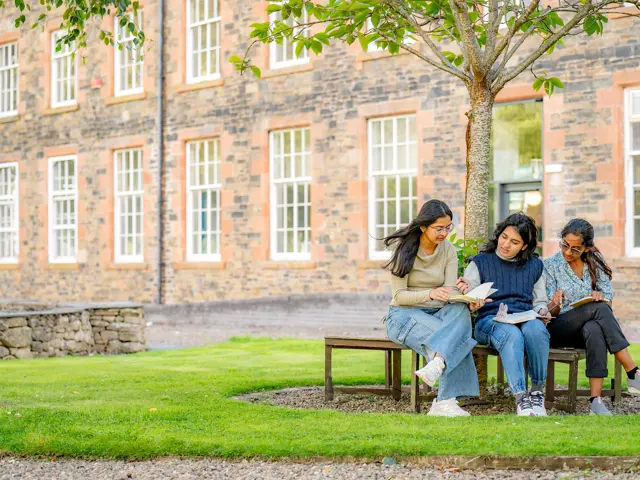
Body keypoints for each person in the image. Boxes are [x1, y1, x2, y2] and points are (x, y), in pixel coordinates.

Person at [384, 199, 481, 417]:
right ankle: (445, 402)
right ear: (423, 227)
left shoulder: (448, 250)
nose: (444, 234)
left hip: (437, 311)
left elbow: (448, 293)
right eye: (439, 228)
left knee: (461, 311)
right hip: (402, 315)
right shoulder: (404, 250)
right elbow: (399, 297)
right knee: (456, 339)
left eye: (448, 228)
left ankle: (437, 363)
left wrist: (470, 297)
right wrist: (429, 293)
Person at [544, 218, 640, 415]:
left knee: (594, 327)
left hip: (586, 330)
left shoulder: (596, 262)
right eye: (565, 245)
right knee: (598, 309)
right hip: (559, 328)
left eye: (575, 249)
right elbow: (546, 313)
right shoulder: (550, 265)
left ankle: (595, 402)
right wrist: (554, 302)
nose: (568, 252)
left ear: (587, 248)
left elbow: (608, 302)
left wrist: (600, 296)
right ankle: (633, 372)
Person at [465, 213, 552, 417]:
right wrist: (473, 303)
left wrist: (542, 311)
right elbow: (469, 298)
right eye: (504, 237)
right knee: (511, 333)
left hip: (524, 317)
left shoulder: (534, 265)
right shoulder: (479, 262)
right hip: (489, 321)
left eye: (514, 242)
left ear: (524, 246)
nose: (505, 244)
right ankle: (522, 398)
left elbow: (540, 301)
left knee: (537, 330)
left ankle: (537, 394)